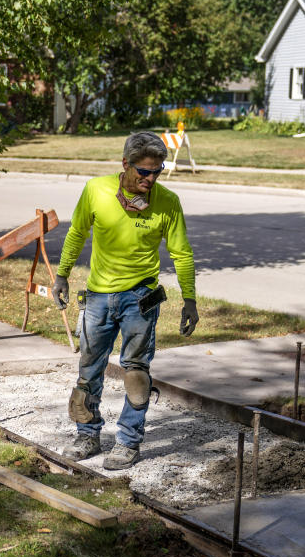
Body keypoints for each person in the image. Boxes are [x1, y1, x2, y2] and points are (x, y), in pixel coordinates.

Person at [53, 131, 198, 470]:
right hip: (99, 297)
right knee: (89, 371)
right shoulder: (96, 190)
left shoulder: (168, 202)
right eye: (144, 171)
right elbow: (77, 233)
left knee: (136, 373)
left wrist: (189, 299)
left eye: (158, 171)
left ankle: (128, 442)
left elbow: (182, 253)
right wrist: (62, 274)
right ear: (125, 165)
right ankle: (87, 435)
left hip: (142, 298)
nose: (151, 179)